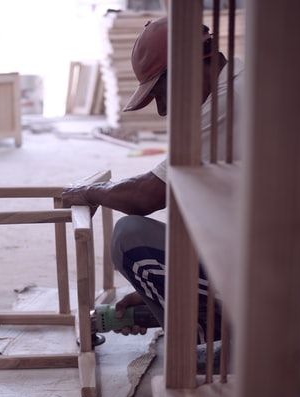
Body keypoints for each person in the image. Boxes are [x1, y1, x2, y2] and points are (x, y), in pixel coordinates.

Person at [61, 17, 245, 340]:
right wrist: (161, 296)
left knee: (129, 237)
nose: (162, 110)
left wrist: (90, 193)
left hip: (294, 283)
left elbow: (147, 196)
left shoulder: (226, 102)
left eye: (160, 92)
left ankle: (215, 348)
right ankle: (210, 324)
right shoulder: (248, 80)